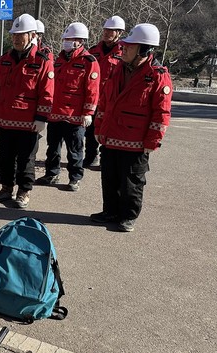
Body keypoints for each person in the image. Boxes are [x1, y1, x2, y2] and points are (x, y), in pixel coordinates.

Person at [91, 24, 172, 232]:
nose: (124, 49)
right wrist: (99, 128)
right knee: (109, 178)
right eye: (125, 45)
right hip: (110, 137)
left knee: (131, 182)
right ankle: (110, 211)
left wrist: (153, 140)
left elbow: (161, 112)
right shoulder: (118, 69)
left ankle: (128, 216)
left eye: (130, 46)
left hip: (135, 142)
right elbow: (105, 102)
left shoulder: (157, 75)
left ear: (144, 49)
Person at [0, 13, 54, 209]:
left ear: (32, 35)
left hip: (28, 122)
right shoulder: (5, 59)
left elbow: (47, 92)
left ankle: (24, 191)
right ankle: (6, 188)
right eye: (14, 35)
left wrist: (41, 117)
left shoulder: (42, 61)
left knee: (26, 160)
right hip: (5, 119)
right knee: (5, 157)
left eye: (20, 35)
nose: (16, 39)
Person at [36, 22, 99, 192]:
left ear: (80, 41)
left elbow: (92, 90)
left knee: (75, 150)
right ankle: (51, 173)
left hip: (75, 115)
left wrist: (88, 112)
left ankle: (75, 178)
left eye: (70, 39)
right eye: (65, 39)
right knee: (53, 148)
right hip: (55, 113)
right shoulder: (59, 60)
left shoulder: (89, 62)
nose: (66, 42)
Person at [85, 16, 125, 167]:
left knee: (107, 129)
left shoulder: (124, 53)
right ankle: (90, 156)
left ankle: (105, 160)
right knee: (90, 130)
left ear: (119, 33)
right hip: (94, 98)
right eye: (105, 30)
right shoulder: (93, 51)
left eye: (111, 30)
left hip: (111, 100)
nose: (107, 33)